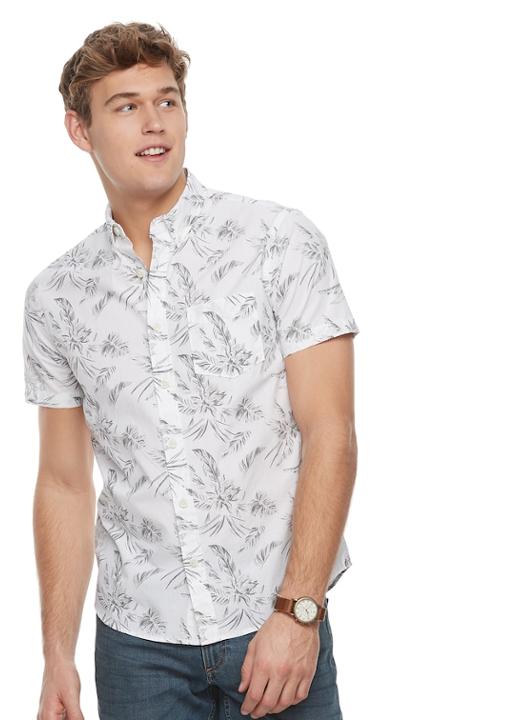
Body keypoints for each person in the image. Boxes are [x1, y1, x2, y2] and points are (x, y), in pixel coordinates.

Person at [23, 21, 360, 720]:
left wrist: (299, 612)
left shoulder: (278, 241)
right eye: (126, 106)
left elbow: (331, 431)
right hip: (137, 649)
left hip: (274, 626)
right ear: (80, 130)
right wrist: (58, 654)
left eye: (167, 100)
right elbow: (63, 482)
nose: (154, 122)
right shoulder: (58, 296)